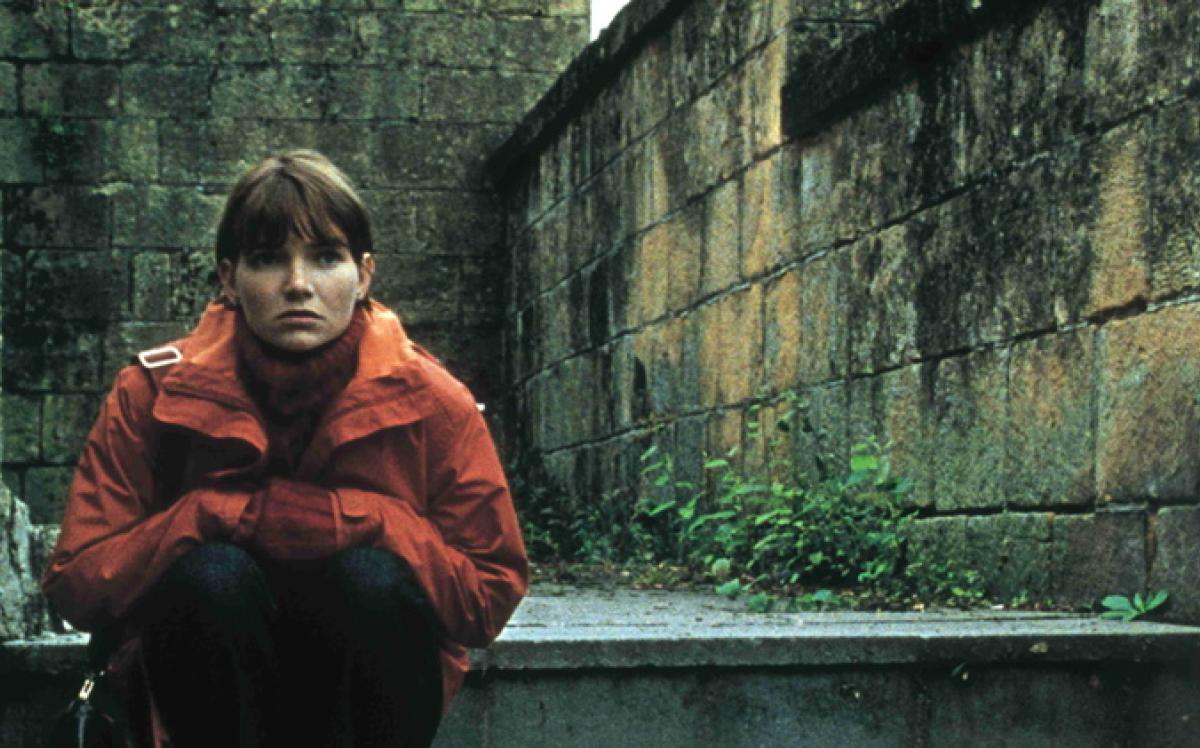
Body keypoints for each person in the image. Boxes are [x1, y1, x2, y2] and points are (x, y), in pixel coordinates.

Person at [41, 150, 528, 747]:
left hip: (370, 695)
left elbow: (488, 596)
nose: (298, 285)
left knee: (372, 579)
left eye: (325, 257)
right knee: (211, 576)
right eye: (268, 259)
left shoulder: (433, 402)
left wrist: (364, 521)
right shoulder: (152, 392)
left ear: (364, 275)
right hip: (204, 691)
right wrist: (212, 514)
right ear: (229, 279)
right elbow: (78, 585)